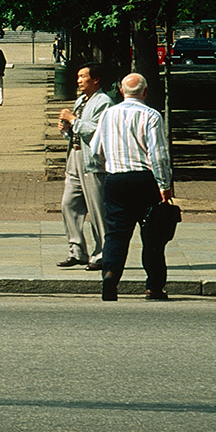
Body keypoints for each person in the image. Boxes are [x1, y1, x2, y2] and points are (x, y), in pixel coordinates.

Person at [86, 73, 174, 301]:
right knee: (152, 237)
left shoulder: (108, 114)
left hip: (116, 180)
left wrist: (112, 161)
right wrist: (164, 185)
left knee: (116, 233)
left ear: (122, 91)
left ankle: (110, 275)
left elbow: (95, 148)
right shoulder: (152, 115)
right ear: (145, 92)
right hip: (144, 180)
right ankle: (154, 286)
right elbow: (159, 155)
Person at [56, 62, 112, 272]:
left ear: (95, 79)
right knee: (68, 204)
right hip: (75, 156)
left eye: (82, 77)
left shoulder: (104, 102)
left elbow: (100, 130)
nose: (78, 80)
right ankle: (77, 251)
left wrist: (74, 120)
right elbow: (77, 128)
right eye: (78, 77)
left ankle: (103, 253)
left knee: (97, 209)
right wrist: (66, 128)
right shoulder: (82, 100)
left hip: (92, 162)